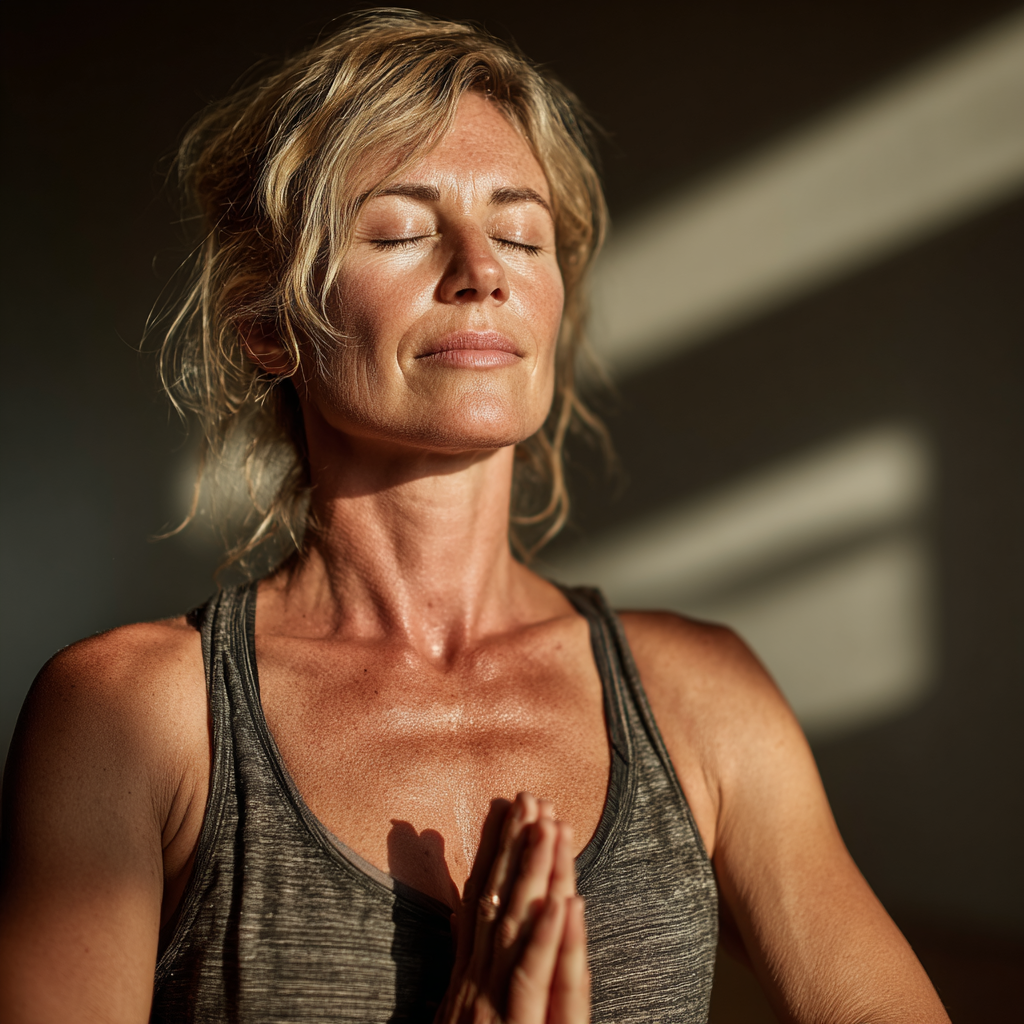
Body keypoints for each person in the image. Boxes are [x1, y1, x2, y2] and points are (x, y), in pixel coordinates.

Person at [0, 10, 950, 1023]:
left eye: (519, 234)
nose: (482, 270)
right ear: (266, 323)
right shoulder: (130, 719)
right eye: (402, 231)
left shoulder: (707, 700)